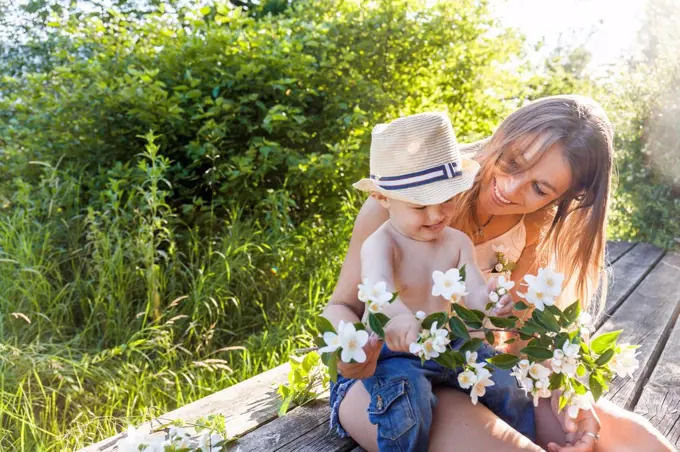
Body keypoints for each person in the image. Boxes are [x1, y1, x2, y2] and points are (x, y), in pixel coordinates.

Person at [323, 95, 676, 452]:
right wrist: (352, 352)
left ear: (566, 198)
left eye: (539, 188)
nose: (510, 188)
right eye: (512, 162)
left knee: (632, 441)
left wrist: (566, 389)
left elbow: (518, 338)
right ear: (502, 136)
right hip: (385, 375)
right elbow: (341, 306)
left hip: (470, 367)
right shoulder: (401, 199)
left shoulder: (532, 226)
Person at [325, 111, 532, 451]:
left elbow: (472, 291)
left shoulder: (456, 242)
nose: (436, 216)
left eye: (447, 201)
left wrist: (491, 298)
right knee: (409, 402)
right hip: (395, 351)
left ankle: (524, 434)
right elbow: (378, 292)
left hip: (445, 342)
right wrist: (401, 316)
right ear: (382, 198)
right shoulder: (383, 242)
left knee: (508, 383)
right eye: (420, 206)